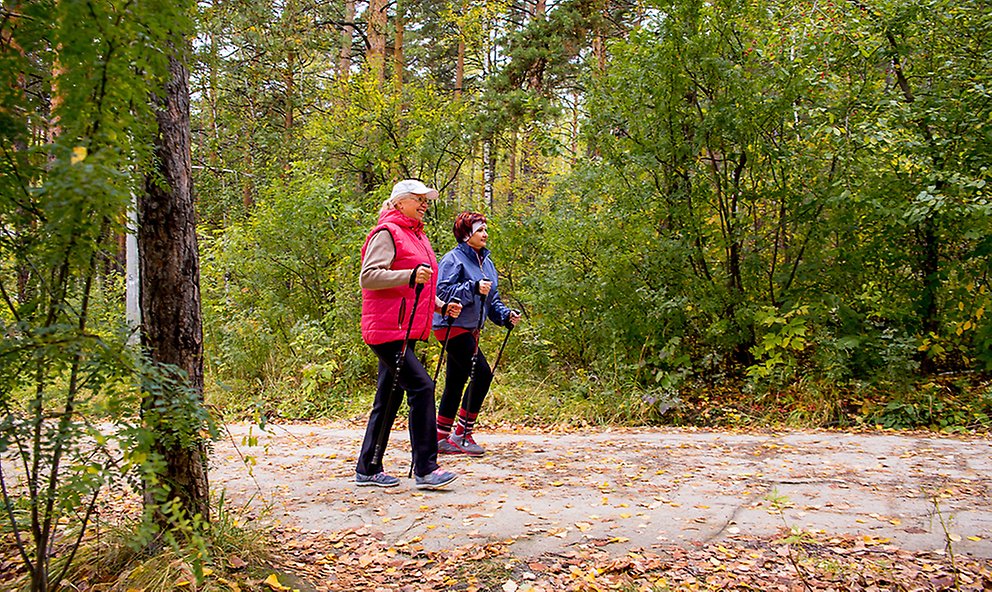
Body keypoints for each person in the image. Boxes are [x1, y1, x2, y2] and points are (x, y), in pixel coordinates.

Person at [355, 179, 463, 490]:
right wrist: (409, 274)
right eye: (418, 199)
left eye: (426, 199)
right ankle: (427, 469)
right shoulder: (387, 232)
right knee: (422, 386)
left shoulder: (416, 236)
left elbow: (420, 286)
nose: (425, 203)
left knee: (389, 397)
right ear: (400, 202)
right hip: (386, 329)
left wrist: (441, 307)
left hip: (405, 328)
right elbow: (369, 276)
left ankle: (368, 467)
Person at [433, 212, 521, 456]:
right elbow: (441, 293)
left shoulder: (487, 263)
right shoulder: (453, 260)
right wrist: (472, 287)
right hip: (450, 326)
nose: (485, 234)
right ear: (466, 234)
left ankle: (440, 437)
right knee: (482, 374)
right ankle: (462, 433)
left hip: (471, 328)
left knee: (456, 380)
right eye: (480, 230)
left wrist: (505, 316)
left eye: (485, 229)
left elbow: (492, 300)